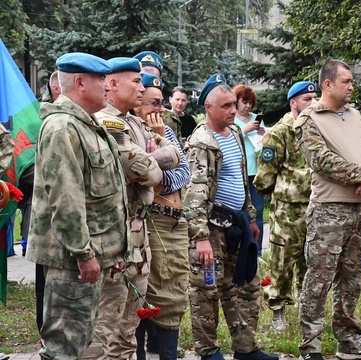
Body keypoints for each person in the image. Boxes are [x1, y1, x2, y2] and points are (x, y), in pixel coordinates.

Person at [26, 52, 130, 359]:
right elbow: (66, 198)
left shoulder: (86, 125)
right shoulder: (62, 127)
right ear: (80, 82)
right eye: (101, 79)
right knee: (64, 348)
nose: (108, 86)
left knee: (80, 343)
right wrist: (84, 254)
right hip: (70, 260)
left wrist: (116, 250)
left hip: (88, 256)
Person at [82, 57, 181, 360]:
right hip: (114, 237)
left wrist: (156, 157)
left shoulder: (135, 122)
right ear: (112, 84)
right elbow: (145, 172)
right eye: (136, 81)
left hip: (139, 237)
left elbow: (175, 154)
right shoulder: (106, 121)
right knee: (102, 332)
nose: (143, 87)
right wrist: (153, 160)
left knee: (128, 332)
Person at [293, 60, 361, 360]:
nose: (352, 85)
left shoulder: (355, 115)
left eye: (352, 81)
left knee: (352, 280)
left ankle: (349, 342)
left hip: (359, 210)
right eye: (346, 81)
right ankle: (311, 346)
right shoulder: (309, 120)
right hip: (328, 211)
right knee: (318, 280)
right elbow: (321, 161)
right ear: (327, 84)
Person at [183, 73, 278, 360]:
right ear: (208, 108)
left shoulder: (235, 133)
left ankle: (246, 348)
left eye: (233, 104)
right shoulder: (201, 142)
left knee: (245, 286)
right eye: (225, 106)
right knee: (207, 290)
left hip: (237, 225)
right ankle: (208, 350)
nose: (233, 110)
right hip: (210, 229)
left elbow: (241, 179)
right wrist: (200, 239)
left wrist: (250, 217)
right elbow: (194, 195)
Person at [133, 73, 191, 360]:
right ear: (136, 104)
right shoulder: (131, 132)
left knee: (174, 293)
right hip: (153, 218)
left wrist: (162, 174)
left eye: (161, 104)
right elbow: (143, 177)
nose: (159, 111)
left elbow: (184, 172)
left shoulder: (165, 131)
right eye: (153, 104)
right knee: (149, 292)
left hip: (175, 221)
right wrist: (160, 170)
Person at [253, 81, 316, 331]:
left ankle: (306, 309)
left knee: (310, 261)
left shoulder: (319, 128)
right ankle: (278, 311)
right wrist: (281, 195)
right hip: (288, 209)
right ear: (293, 103)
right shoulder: (280, 132)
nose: (312, 103)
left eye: (314, 98)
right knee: (281, 261)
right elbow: (265, 174)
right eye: (306, 100)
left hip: (315, 205)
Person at [232, 85, 266, 255]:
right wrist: (245, 130)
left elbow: (263, 143)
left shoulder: (256, 119)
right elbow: (230, 139)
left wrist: (263, 133)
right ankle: (239, 249)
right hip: (239, 171)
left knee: (258, 211)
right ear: (236, 102)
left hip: (256, 171)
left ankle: (257, 251)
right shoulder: (231, 118)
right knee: (241, 212)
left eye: (250, 103)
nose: (247, 106)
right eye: (244, 102)